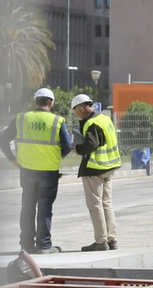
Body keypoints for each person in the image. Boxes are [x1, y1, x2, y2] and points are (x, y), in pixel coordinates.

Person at [2, 89, 71, 253]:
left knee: (27, 207)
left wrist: (12, 159)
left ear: (35, 102)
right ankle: (44, 245)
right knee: (45, 208)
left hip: (26, 171)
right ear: (51, 103)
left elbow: (3, 139)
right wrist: (54, 156)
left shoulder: (21, 118)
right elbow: (67, 147)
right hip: (48, 172)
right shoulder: (57, 121)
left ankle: (26, 245)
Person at [70, 94, 121, 251]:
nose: (76, 114)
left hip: (95, 168)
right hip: (109, 167)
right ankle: (112, 239)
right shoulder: (105, 118)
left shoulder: (91, 123)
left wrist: (77, 148)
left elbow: (91, 144)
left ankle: (100, 241)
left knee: (95, 205)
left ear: (83, 109)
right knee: (107, 203)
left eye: (76, 111)